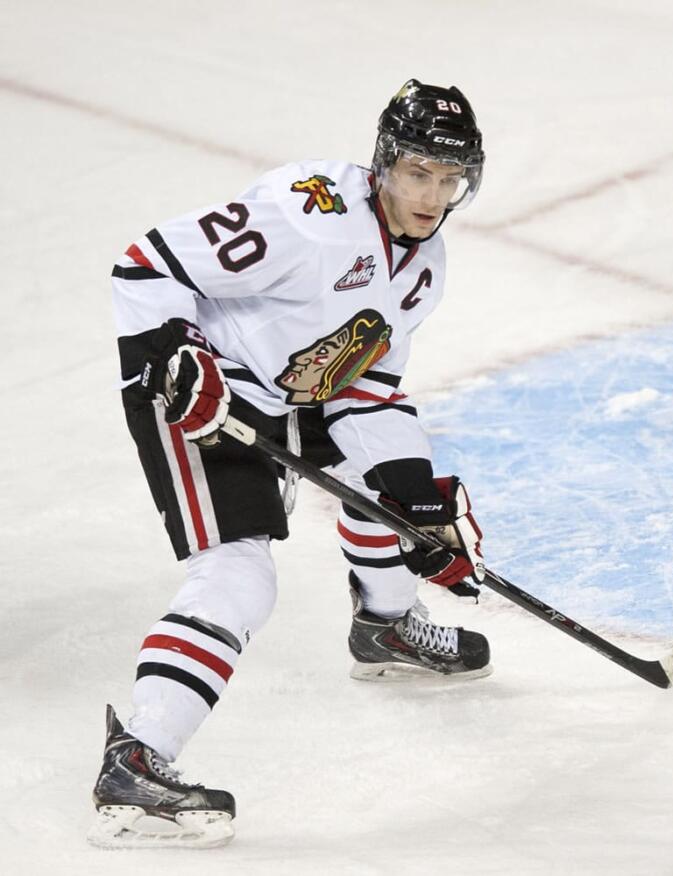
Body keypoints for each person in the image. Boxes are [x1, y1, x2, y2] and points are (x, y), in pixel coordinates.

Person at [89, 79, 492, 849]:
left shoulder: (425, 264)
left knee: (392, 487)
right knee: (240, 575)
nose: (434, 195)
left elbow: (365, 390)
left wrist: (423, 507)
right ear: (383, 165)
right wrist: (179, 354)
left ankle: (385, 624)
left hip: (283, 391)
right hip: (193, 390)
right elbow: (145, 268)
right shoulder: (308, 216)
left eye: (450, 178)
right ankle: (135, 760)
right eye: (418, 173)